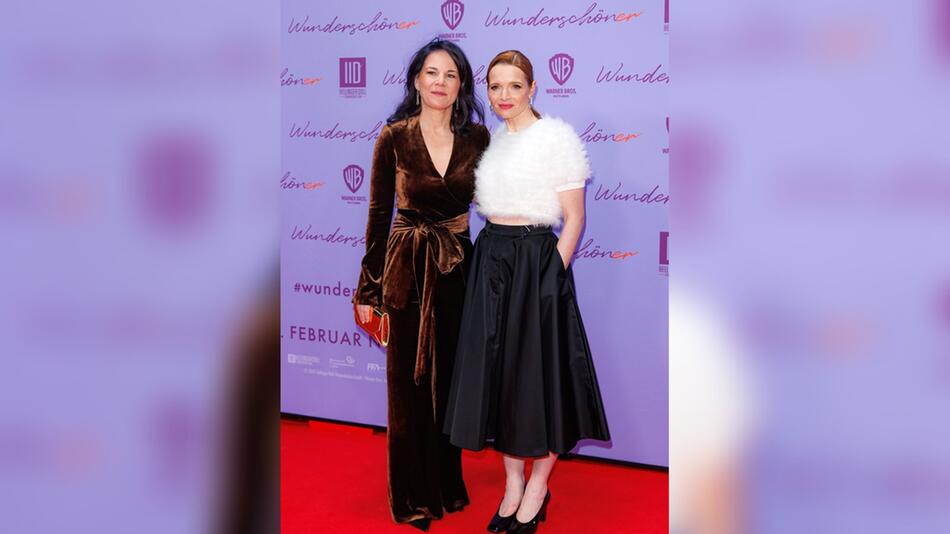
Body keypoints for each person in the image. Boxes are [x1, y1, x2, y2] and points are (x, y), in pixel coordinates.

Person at [443, 50, 611, 534]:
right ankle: (513, 484)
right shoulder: (494, 140)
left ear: (533, 87)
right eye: (495, 87)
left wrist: (550, 274)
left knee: (541, 377)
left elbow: (575, 218)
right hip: (491, 257)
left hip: (536, 259)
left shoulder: (556, 138)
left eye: (514, 86)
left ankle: (539, 486)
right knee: (499, 376)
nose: (503, 96)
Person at [353, 39, 490, 532]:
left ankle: (446, 485)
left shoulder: (479, 138)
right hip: (406, 271)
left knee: (450, 384)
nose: (439, 82)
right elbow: (377, 217)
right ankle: (410, 495)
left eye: (450, 74)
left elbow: (501, 200)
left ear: (461, 86)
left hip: (458, 271)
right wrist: (368, 293)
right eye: (431, 72)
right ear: (416, 80)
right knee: (407, 388)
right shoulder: (393, 137)